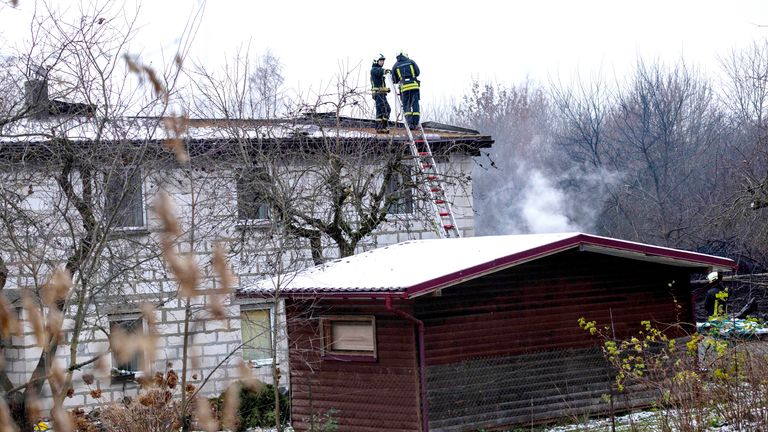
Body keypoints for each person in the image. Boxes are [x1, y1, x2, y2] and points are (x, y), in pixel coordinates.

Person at [391, 51, 420, 130]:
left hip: (404, 88)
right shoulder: (411, 61)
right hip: (414, 86)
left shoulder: (395, 65)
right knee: (415, 104)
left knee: (406, 106)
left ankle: (410, 124)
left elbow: (394, 79)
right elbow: (418, 72)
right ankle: (416, 123)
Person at [370, 54, 391, 133]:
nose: (382, 62)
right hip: (378, 93)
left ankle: (383, 127)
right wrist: (387, 71)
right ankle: (379, 128)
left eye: (383, 61)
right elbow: (381, 71)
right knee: (380, 110)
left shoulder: (378, 70)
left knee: (387, 109)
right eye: (381, 61)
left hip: (381, 93)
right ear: (376, 61)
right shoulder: (374, 69)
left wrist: (386, 90)